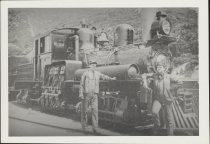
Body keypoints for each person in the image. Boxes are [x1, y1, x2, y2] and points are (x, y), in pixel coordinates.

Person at [142, 54, 180, 135]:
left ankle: (170, 136)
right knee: (154, 112)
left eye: (160, 68)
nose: (158, 69)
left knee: (169, 119)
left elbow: (179, 81)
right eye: (158, 68)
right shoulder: (155, 75)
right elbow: (144, 75)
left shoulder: (169, 76)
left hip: (167, 100)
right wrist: (145, 83)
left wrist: (172, 90)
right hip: (158, 99)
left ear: (164, 69)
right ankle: (157, 127)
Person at [79, 61, 116, 133]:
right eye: (93, 65)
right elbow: (81, 85)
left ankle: (95, 128)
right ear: (90, 66)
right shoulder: (85, 74)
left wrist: (112, 78)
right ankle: (84, 127)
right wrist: (81, 94)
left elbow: (104, 77)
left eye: (95, 65)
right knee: (84, 111)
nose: (94, 67)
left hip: (94, 94)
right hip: (86, 94)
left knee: (95, 111)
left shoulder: (97, 73)